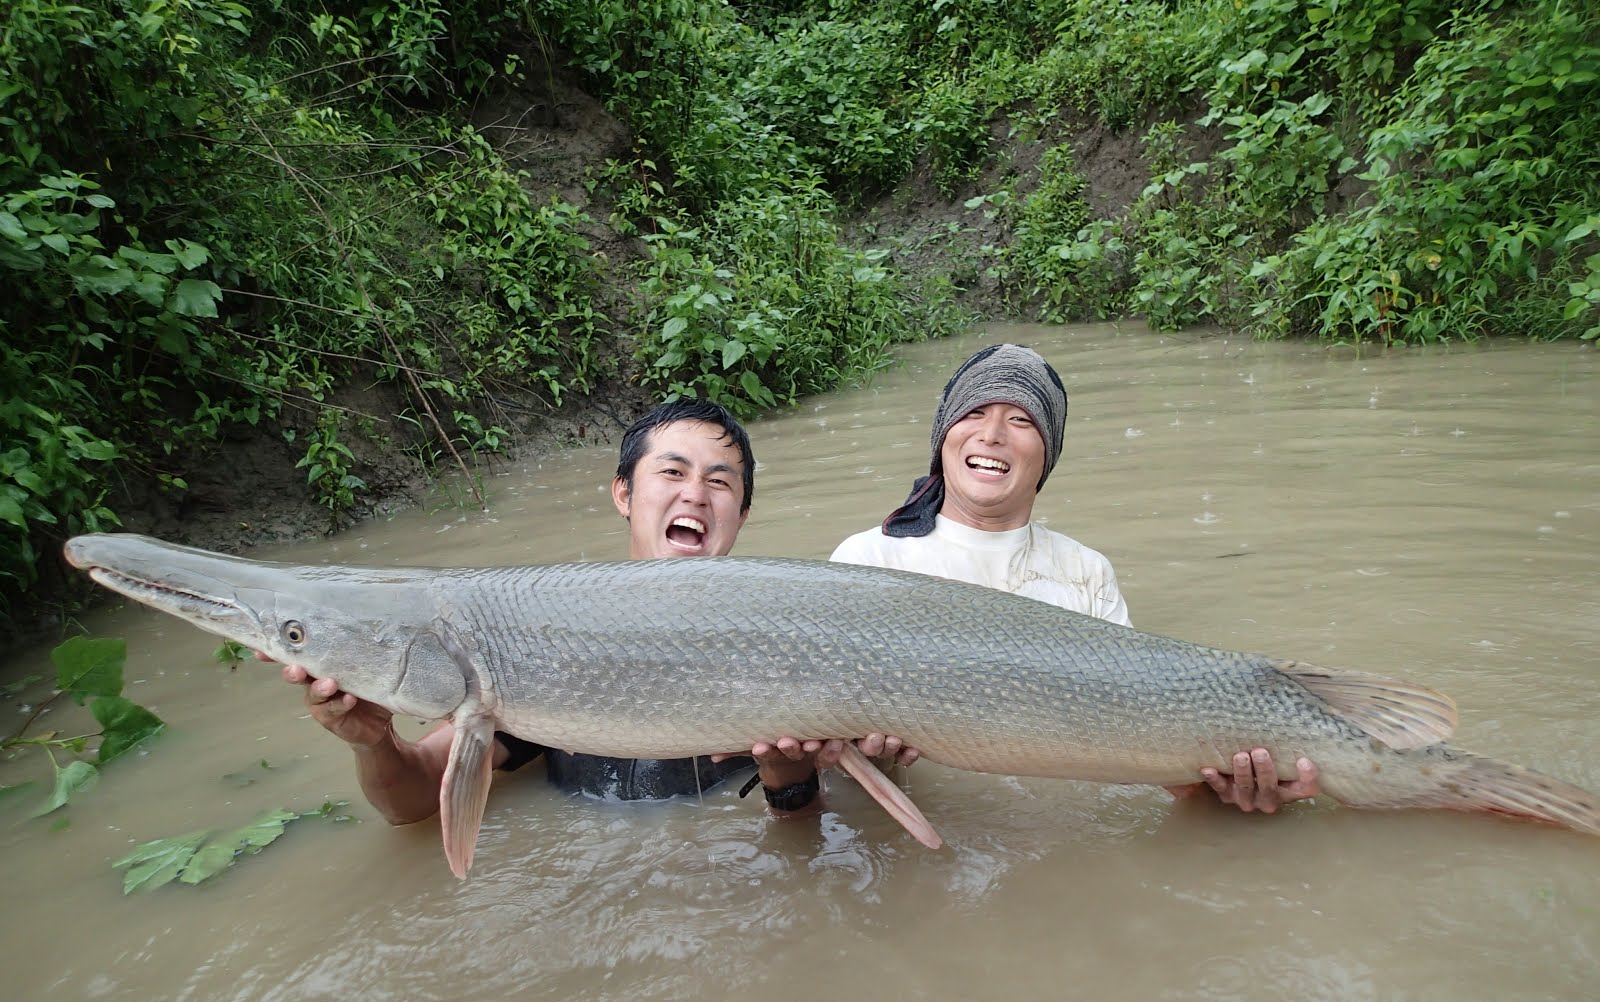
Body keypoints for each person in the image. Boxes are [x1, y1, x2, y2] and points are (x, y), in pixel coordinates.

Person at [265, 399, 865, 823]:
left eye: (720, 482)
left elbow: (812, 829)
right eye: (672, 472)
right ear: (624, 493)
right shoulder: (538, 631)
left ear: (742, 512)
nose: (694, 495)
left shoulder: (792, 643)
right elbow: (411, 805)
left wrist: (790, 784)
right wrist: (374, 744)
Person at [828, 342, 1321, 814]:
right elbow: (830, 761)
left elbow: (1140, 744)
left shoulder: (1084, 572)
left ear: (1049, 453)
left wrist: (1219, 790)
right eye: (974, 412)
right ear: (943, 437)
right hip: (941, 838)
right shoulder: (868, 559)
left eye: (1020, 419)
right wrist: (864, 757)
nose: (992, 434)